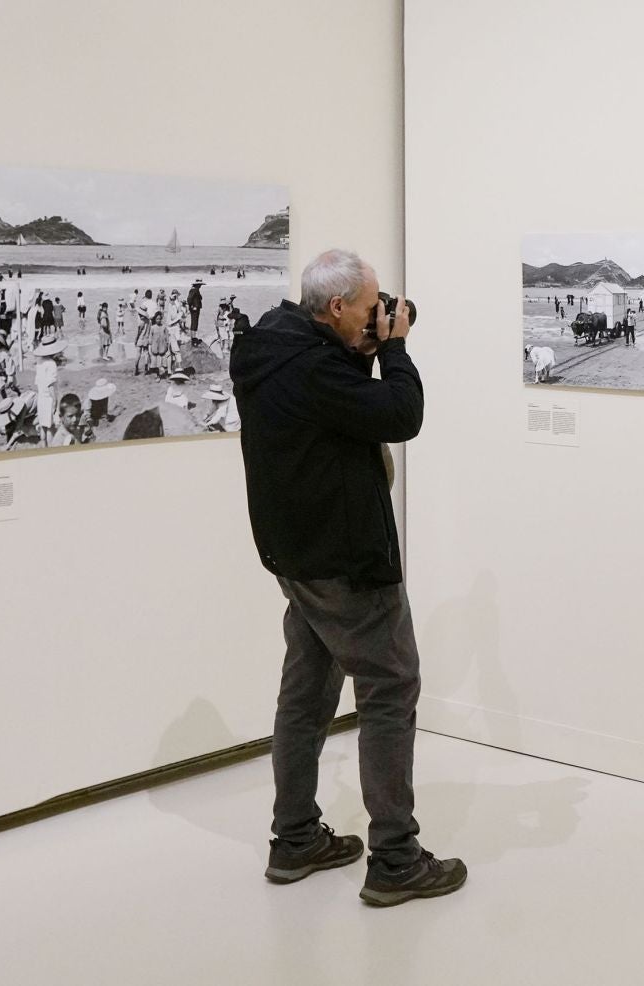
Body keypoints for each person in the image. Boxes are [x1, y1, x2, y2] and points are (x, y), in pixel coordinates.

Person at [230, 248, 464, 907]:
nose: (379, 315)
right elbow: (398, 415)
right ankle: (396, 858)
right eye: (369, 307)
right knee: (390, 688)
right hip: (347, 561)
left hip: (294, 556)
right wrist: (395, 350)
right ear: (337, 308)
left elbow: (334, 401)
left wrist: (363, 342)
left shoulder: (267, 345)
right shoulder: (314, 367)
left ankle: (295, 837)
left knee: (305, 695)